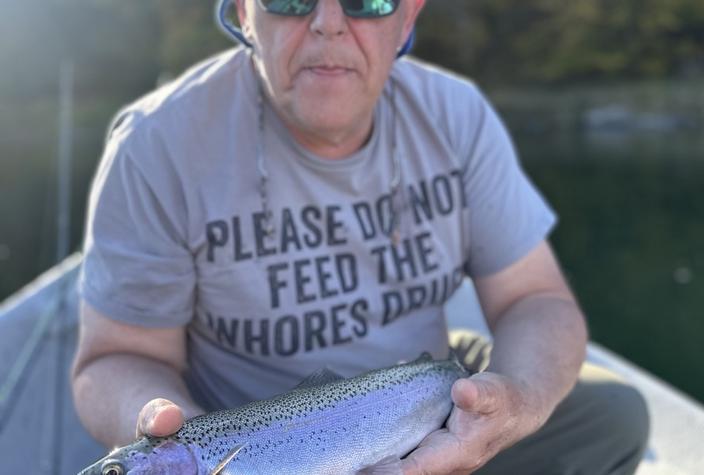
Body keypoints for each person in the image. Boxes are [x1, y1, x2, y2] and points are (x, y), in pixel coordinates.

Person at [72, 0, 650, 473]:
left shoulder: (458, 114)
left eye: (368, 0)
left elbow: (536, 299)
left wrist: (513, 403)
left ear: (408, 15)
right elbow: (117, 356)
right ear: (245, 13)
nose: (328, 21)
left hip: (433, 393)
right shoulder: (156, 145)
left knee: (614, 417)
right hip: (246, 421)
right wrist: (173, 430)